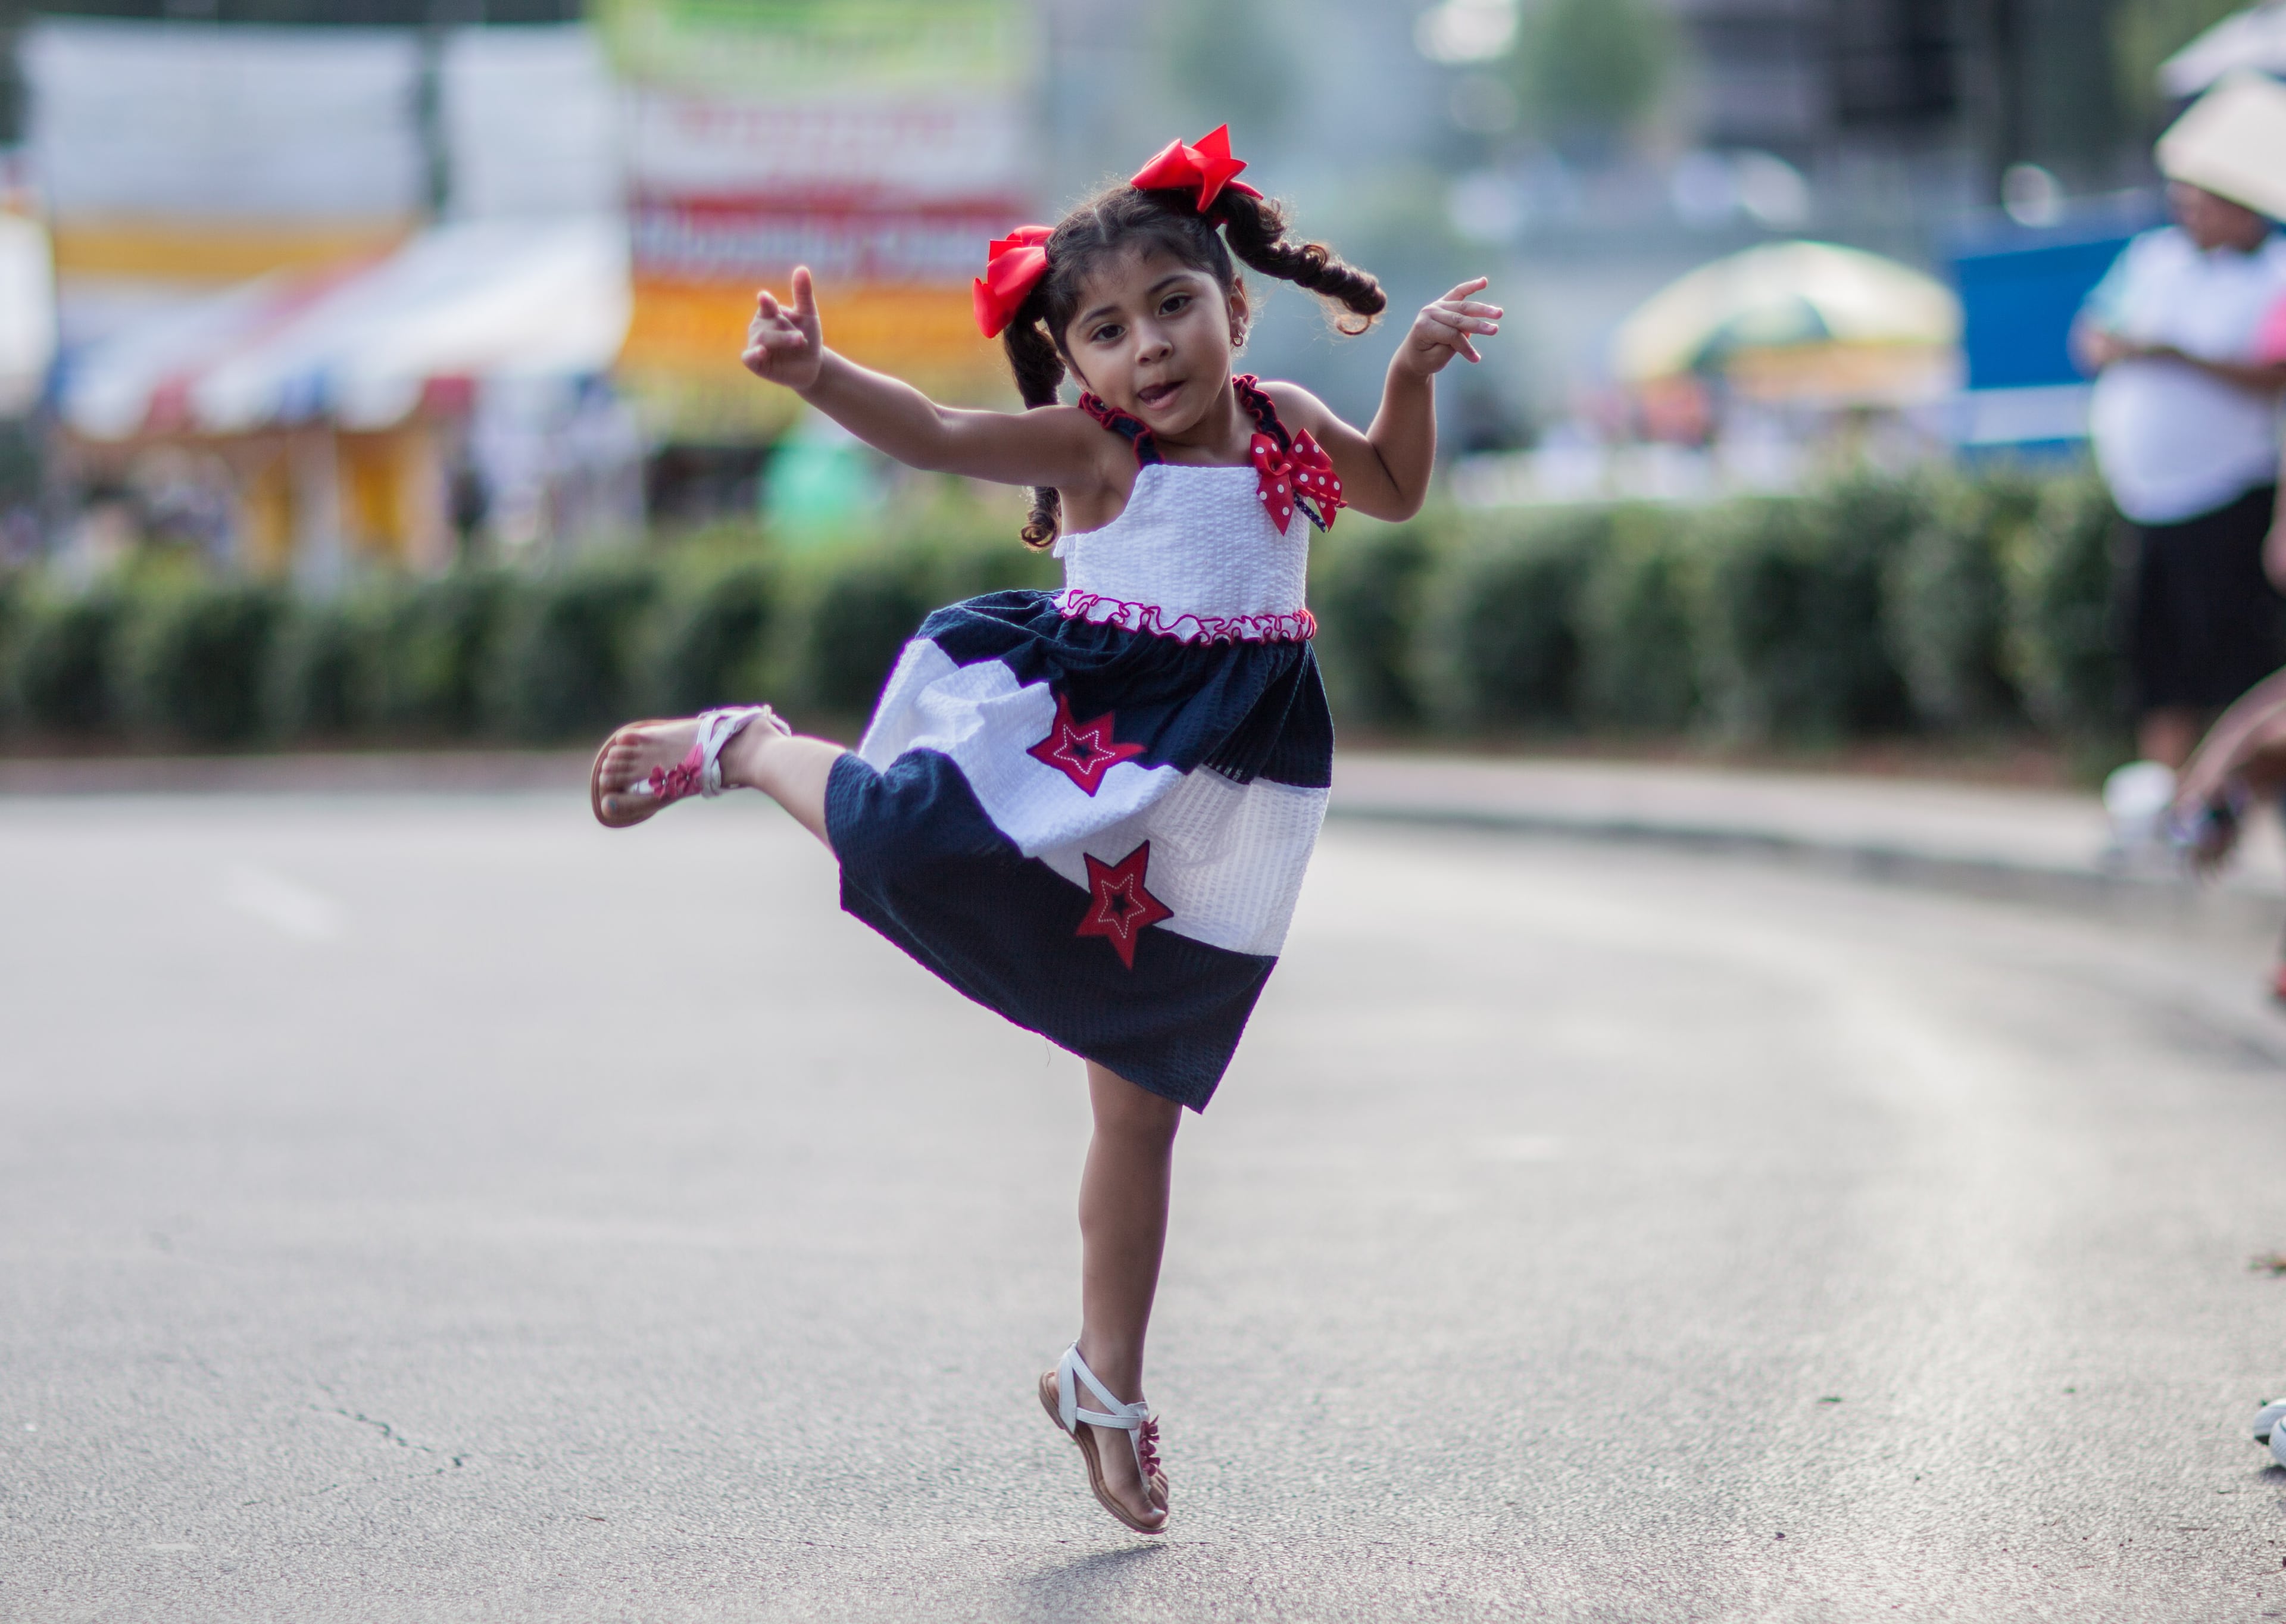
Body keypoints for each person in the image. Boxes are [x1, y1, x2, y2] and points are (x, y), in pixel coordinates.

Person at [584, 127, 1501, 1535]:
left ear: (1233, 307)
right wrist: (817, 374)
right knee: (895, 835)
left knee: (1141, 1098)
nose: (1149, 346)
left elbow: (1391, 486)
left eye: (1173, 306)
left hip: (1209, 783)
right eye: (1108, 328)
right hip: (1087, 733)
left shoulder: (1287, 421)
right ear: (1074, 362)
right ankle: (745, 743)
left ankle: (1102, 1384)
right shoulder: (1095, 450)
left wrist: (1412, 376)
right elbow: (942, 435)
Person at [2073, 180, 2286, 770]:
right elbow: (2091, 335)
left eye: (2204, 201)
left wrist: (2178, 355)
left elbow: (2278, 373)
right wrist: (2123, 348)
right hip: (2147, 501)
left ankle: (2235, 795)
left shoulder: (2277, 272)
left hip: (2230, 493)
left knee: (2240, 666)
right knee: (2158, 667)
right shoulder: (2151, 257)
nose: (2189, 213)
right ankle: (2171, 802)